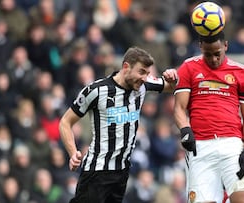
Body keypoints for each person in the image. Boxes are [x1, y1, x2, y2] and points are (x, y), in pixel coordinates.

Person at [59, 46, 178, 203]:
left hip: (121, 172)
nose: (144, 77)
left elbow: (171, 87)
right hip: (97, 172)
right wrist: (73, 152)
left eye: (147, 73)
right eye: (141, 71)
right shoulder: (96, 90)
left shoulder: (143, 84)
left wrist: (173, 77)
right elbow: (65, 122)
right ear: (126, 67)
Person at [173, 31, 244, 203]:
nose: (213, 59)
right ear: (200, 47)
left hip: (232, 145)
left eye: (217, 53)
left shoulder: (240, 71)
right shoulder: (188, 67)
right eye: (208, 54)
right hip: (200, 147)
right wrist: (185, 129)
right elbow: (179, 108)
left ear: (225, 45)